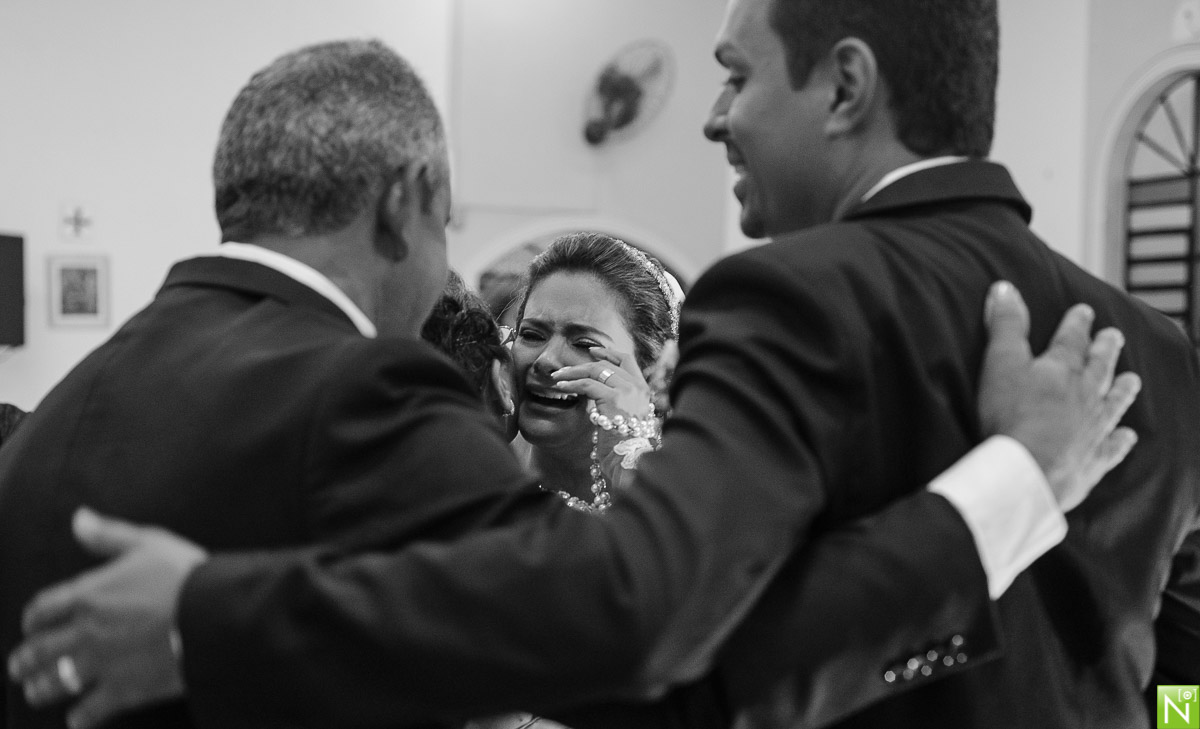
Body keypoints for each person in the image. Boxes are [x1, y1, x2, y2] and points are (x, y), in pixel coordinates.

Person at [6, 34, 1141, 729]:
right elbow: (678, 670)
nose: (531, 361)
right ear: (408, 201)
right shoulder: (365, 400)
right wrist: (1015, 488)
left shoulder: (48, 427)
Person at [0, 39, 556, 729]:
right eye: (442, 224)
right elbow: (568, 622)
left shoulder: (65, 404)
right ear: (403, 200)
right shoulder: (371, 390)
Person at [508, 232, 679, 510]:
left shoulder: (682, 498)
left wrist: (627, 447)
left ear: (649, 372)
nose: (546, 360)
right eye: (532, 335)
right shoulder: (475, 474)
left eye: (583, 343)